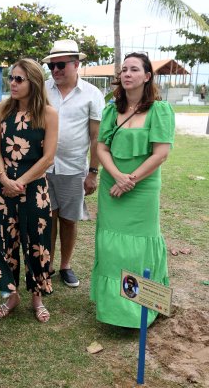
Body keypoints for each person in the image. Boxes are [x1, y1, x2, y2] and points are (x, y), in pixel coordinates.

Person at [90, 52, 175, 328]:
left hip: (143, 188)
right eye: (123, 69)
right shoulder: (111, 110)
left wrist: (131, 180)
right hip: (112, 187)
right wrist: (117, 177)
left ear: (147, 76)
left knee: (140, 248)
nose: (126, 74)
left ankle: (147, 306)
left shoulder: (159, 111)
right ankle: (114, 310)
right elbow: (101, 147)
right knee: (113, 248)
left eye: (134, 69)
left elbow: (160, 153)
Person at [0, 58, 58, 322]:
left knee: (36, 243)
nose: (13, 83)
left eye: (19, 79)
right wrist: (4, 178)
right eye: (11, 78)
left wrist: (20, 183)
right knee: (2, 239)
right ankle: (11, 295)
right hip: (2, 187)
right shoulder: (2, 110)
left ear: (34, 82)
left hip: (34, 189)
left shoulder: (48, 114)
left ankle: (36, 297)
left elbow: (47, 157)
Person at [42, 39, 105, 287]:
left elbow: (96, 136)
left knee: (68, 219)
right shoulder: (42, 89)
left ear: (75, 64)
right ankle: (46, 265)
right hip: (43, 168)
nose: (55, 70)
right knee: (48, 218)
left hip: (73, 169)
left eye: (60, 65)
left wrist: (93, 172)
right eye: (52, 66)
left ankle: (65, 265)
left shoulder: (92, 94)